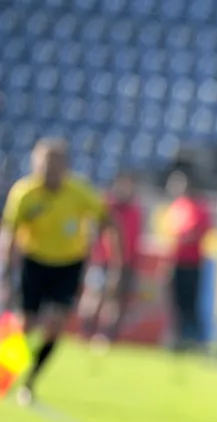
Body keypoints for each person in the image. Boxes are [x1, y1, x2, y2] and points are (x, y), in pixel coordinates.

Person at [0, 138, 116, 404]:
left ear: (66, 166)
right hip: (34, 262)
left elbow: (108, 223)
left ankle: (30, 382)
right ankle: (3, 377)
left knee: (54, 326)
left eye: (55, 164)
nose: (49, 169)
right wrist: (6, 272)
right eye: (44, 163)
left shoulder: (80, 192)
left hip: (68, 265)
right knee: (24, 325)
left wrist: (112, 263)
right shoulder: (25, 193)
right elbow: (10, 231)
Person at [81, 172, 143, 345]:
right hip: (103, 261)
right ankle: (86, 332)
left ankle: (107, 336)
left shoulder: (135, 210)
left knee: (117, 300)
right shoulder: (105, 206)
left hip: (127, 263)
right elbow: (94, 233)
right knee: (95, 296)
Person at [162, 172, 212, 351]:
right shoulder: (175, 207)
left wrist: (184, 239)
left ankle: (193, 340)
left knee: (190, 303)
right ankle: (177, 340)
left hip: (192, 263)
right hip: (175, 262)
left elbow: (200, 232)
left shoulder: (198, 207)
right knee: (176, 303)